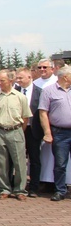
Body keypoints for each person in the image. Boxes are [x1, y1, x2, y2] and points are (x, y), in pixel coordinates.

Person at [0, 70, 31, 200]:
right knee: (1, 162)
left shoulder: (20, 97)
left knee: (19, 162)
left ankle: (20, 189)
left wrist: (19, 130)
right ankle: (4, 188)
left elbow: (25, 117)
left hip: (16, 130)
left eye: (2, 80)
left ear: (11, 81)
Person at [38, 65, 71, 202]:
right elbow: (43, 113)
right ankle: (60, 190)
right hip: (59, 132)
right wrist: (47, 132)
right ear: (65, 77)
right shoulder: (48, 91)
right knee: (60, 164)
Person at [14, 67, 43, 197]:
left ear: (29, 77)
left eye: (20, 78)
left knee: (34, 158)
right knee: (16, 158)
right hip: (17, 129)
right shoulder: (14, 91)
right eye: (17, 78)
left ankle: (34, 187)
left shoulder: (40, 92)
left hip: (33, 130)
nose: (18, 80)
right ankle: (18, 185)